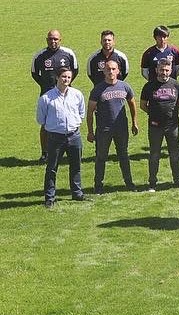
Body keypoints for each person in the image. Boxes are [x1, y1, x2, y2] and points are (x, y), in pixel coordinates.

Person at [37, 68, 87, 207]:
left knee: (76, 166)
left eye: (68, 77)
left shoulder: (77, 95)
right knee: (52, 168)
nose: (66, 79)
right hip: (55, 138)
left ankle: (77, 193)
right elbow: (41, 120)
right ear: (57, 77)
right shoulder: (46, 98)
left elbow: (81, 113)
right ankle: (49, 198)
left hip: (74, 135)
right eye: (63, 77)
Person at [87, 60, 139, 193]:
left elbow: (132, 104)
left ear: (118, 71)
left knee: (123, 155)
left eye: (113, 69)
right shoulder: (97, 89)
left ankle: (129, 183)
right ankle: (98, 185)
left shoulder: (125, 86)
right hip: (104, 129)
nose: (111, 72)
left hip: (121, 128)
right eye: (108, 69)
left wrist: (134, 122)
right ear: (104, 71)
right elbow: (90, 111)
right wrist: (90, 131)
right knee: (101, 157)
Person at [140, 58, 179, 190]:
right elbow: (143, 105)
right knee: (154, 154)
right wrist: (153, 113)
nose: (164, 72)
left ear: (170, 70)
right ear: (156, 70)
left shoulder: (176, 85)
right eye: (161, 70)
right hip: (155, 126)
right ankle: (152, 183)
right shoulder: (149, 86)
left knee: (174, 153)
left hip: (172, 126)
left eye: (166, 70)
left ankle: (178, 181)